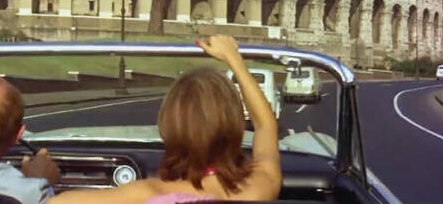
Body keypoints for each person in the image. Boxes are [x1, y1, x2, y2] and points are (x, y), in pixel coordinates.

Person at [50, 35, 282, 203]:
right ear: (235, 125)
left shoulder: (146, 195)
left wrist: (42, 179)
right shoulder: (258, 188)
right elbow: (265, 126)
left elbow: (56, 202)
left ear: (168, 127)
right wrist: (235, 61)